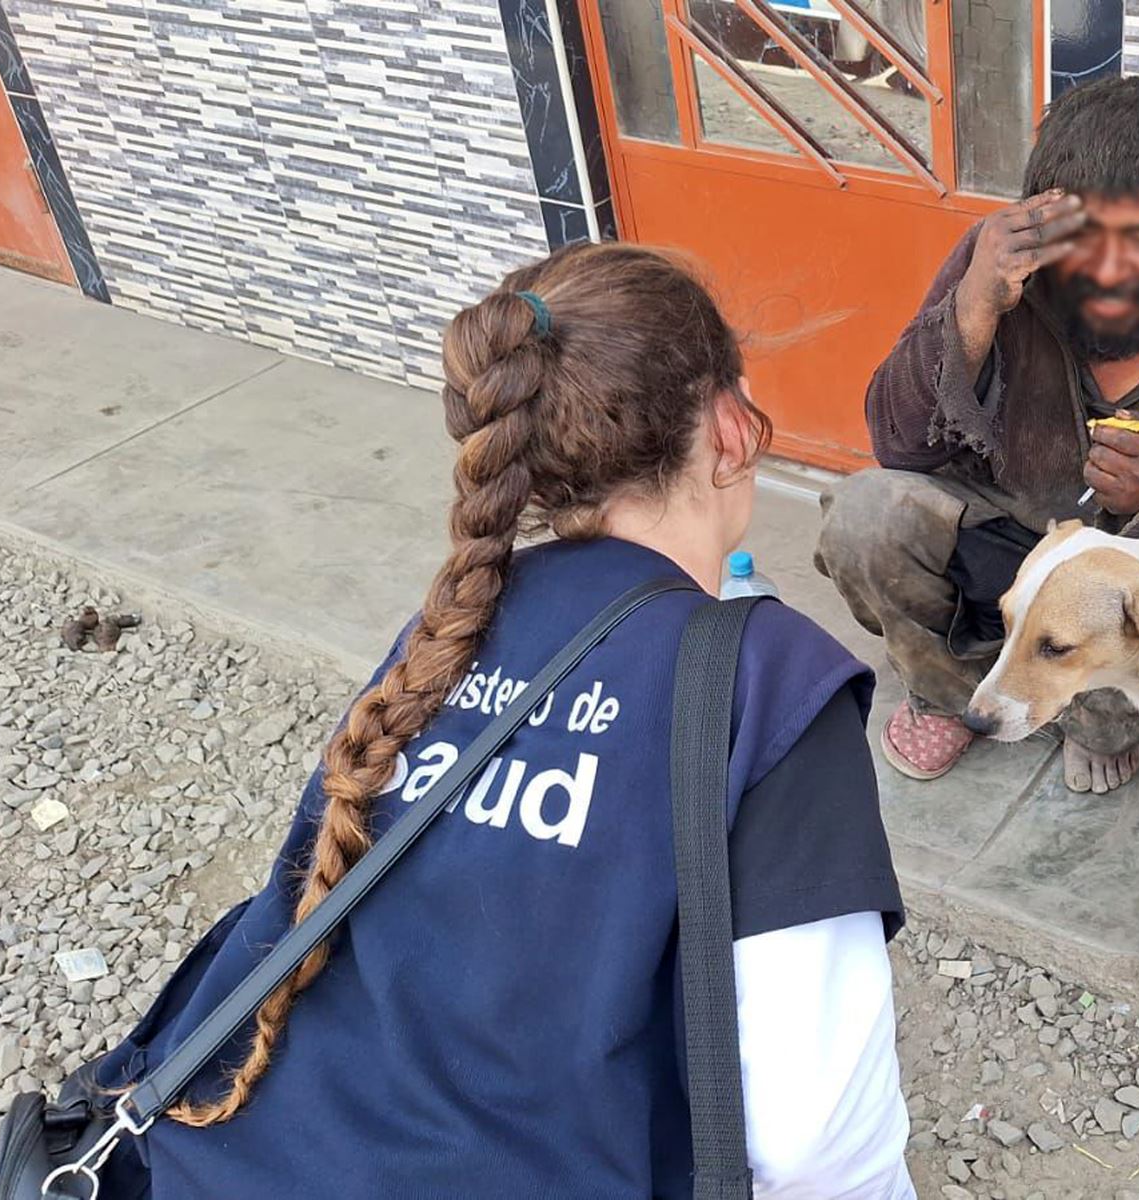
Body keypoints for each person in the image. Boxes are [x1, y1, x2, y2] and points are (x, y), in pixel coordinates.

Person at [94, 243, 916, 1198]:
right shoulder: (770, 682)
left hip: (229, 1155)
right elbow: (818, 1148)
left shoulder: (453, 620)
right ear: (732, 429)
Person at [816, 76, 1139, 795]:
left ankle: (1096, 716)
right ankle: (951, 692)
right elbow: (900, 447)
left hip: (1131, 576)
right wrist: (974, 309)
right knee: (865, 517)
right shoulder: (998, 262)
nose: (1107, 272)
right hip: (1003, 536)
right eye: (1082, 239)